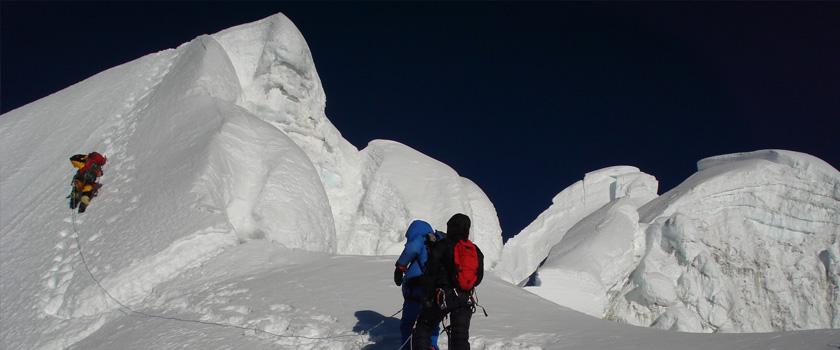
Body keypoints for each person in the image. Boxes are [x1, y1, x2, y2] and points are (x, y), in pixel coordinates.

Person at [412, 213, 484, 350]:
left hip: (442, 296)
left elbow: (431, 272)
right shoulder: (475, 250)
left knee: (424, 325)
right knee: (460, 336)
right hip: (465, 299)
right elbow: (478, 278)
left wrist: (427, 295)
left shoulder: (442, 245)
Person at [394, 220, 444, 349]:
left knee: (408, 323)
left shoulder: (421, 239)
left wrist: (400, 266)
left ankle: (407, 347)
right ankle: (432, 347)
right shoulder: (440, 244)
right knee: (431, 324)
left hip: (416, 290)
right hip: (436, 293)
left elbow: (412, 248)